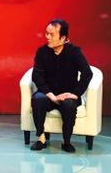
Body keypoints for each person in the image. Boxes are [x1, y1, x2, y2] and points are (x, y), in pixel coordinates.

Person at [30, 18, 92, 153]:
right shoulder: (42, 52)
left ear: (63, 38)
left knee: (69, 105)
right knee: (38, 99)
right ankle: (41, 138)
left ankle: (66, 141)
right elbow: (36, 76)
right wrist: (51, 95)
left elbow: (87, 73)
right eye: (46, 33)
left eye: (51, 35)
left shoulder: (74, 52)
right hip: (48, 94)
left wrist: (75, 94)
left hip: (67, 94)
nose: (47, 37)